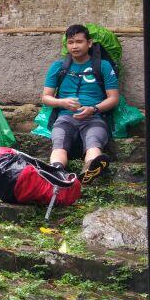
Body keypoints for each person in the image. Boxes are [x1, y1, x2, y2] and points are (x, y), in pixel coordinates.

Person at [41, 23, 120, 184]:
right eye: (70, 42)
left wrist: (94, 108)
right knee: (59, 144)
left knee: (94, 142)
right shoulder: (58, 67)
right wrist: (62, 102)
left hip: (95, 117)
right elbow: (46, 97)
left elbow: (113, 98)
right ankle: (56, 170)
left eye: (79, 42)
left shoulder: (103, 66)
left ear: (89, 43)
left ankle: (90, 168)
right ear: (66, 45)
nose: (74, 46)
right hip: (65, 117)